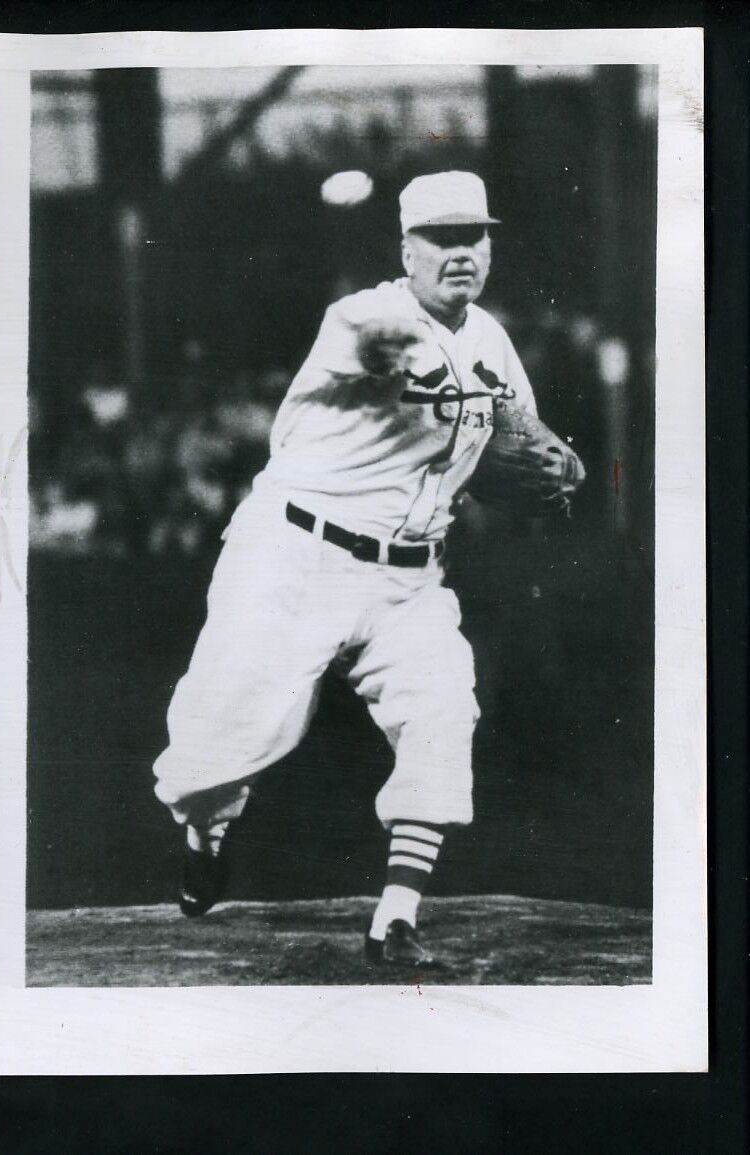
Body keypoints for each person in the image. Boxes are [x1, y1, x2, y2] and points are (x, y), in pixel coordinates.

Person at [152, 172, 539, 966]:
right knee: (210, 753)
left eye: (475, 235)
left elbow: (518, 435)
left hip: (410, 576)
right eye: (441, 236)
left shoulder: (491, 341)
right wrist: (404, 360)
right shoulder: (366, 315)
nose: (460, 251)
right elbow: (379, 349)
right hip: (297, 553)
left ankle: (395, 914)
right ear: (407, 249)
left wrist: (543, 457)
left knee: (444, 708)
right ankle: (205, 828)